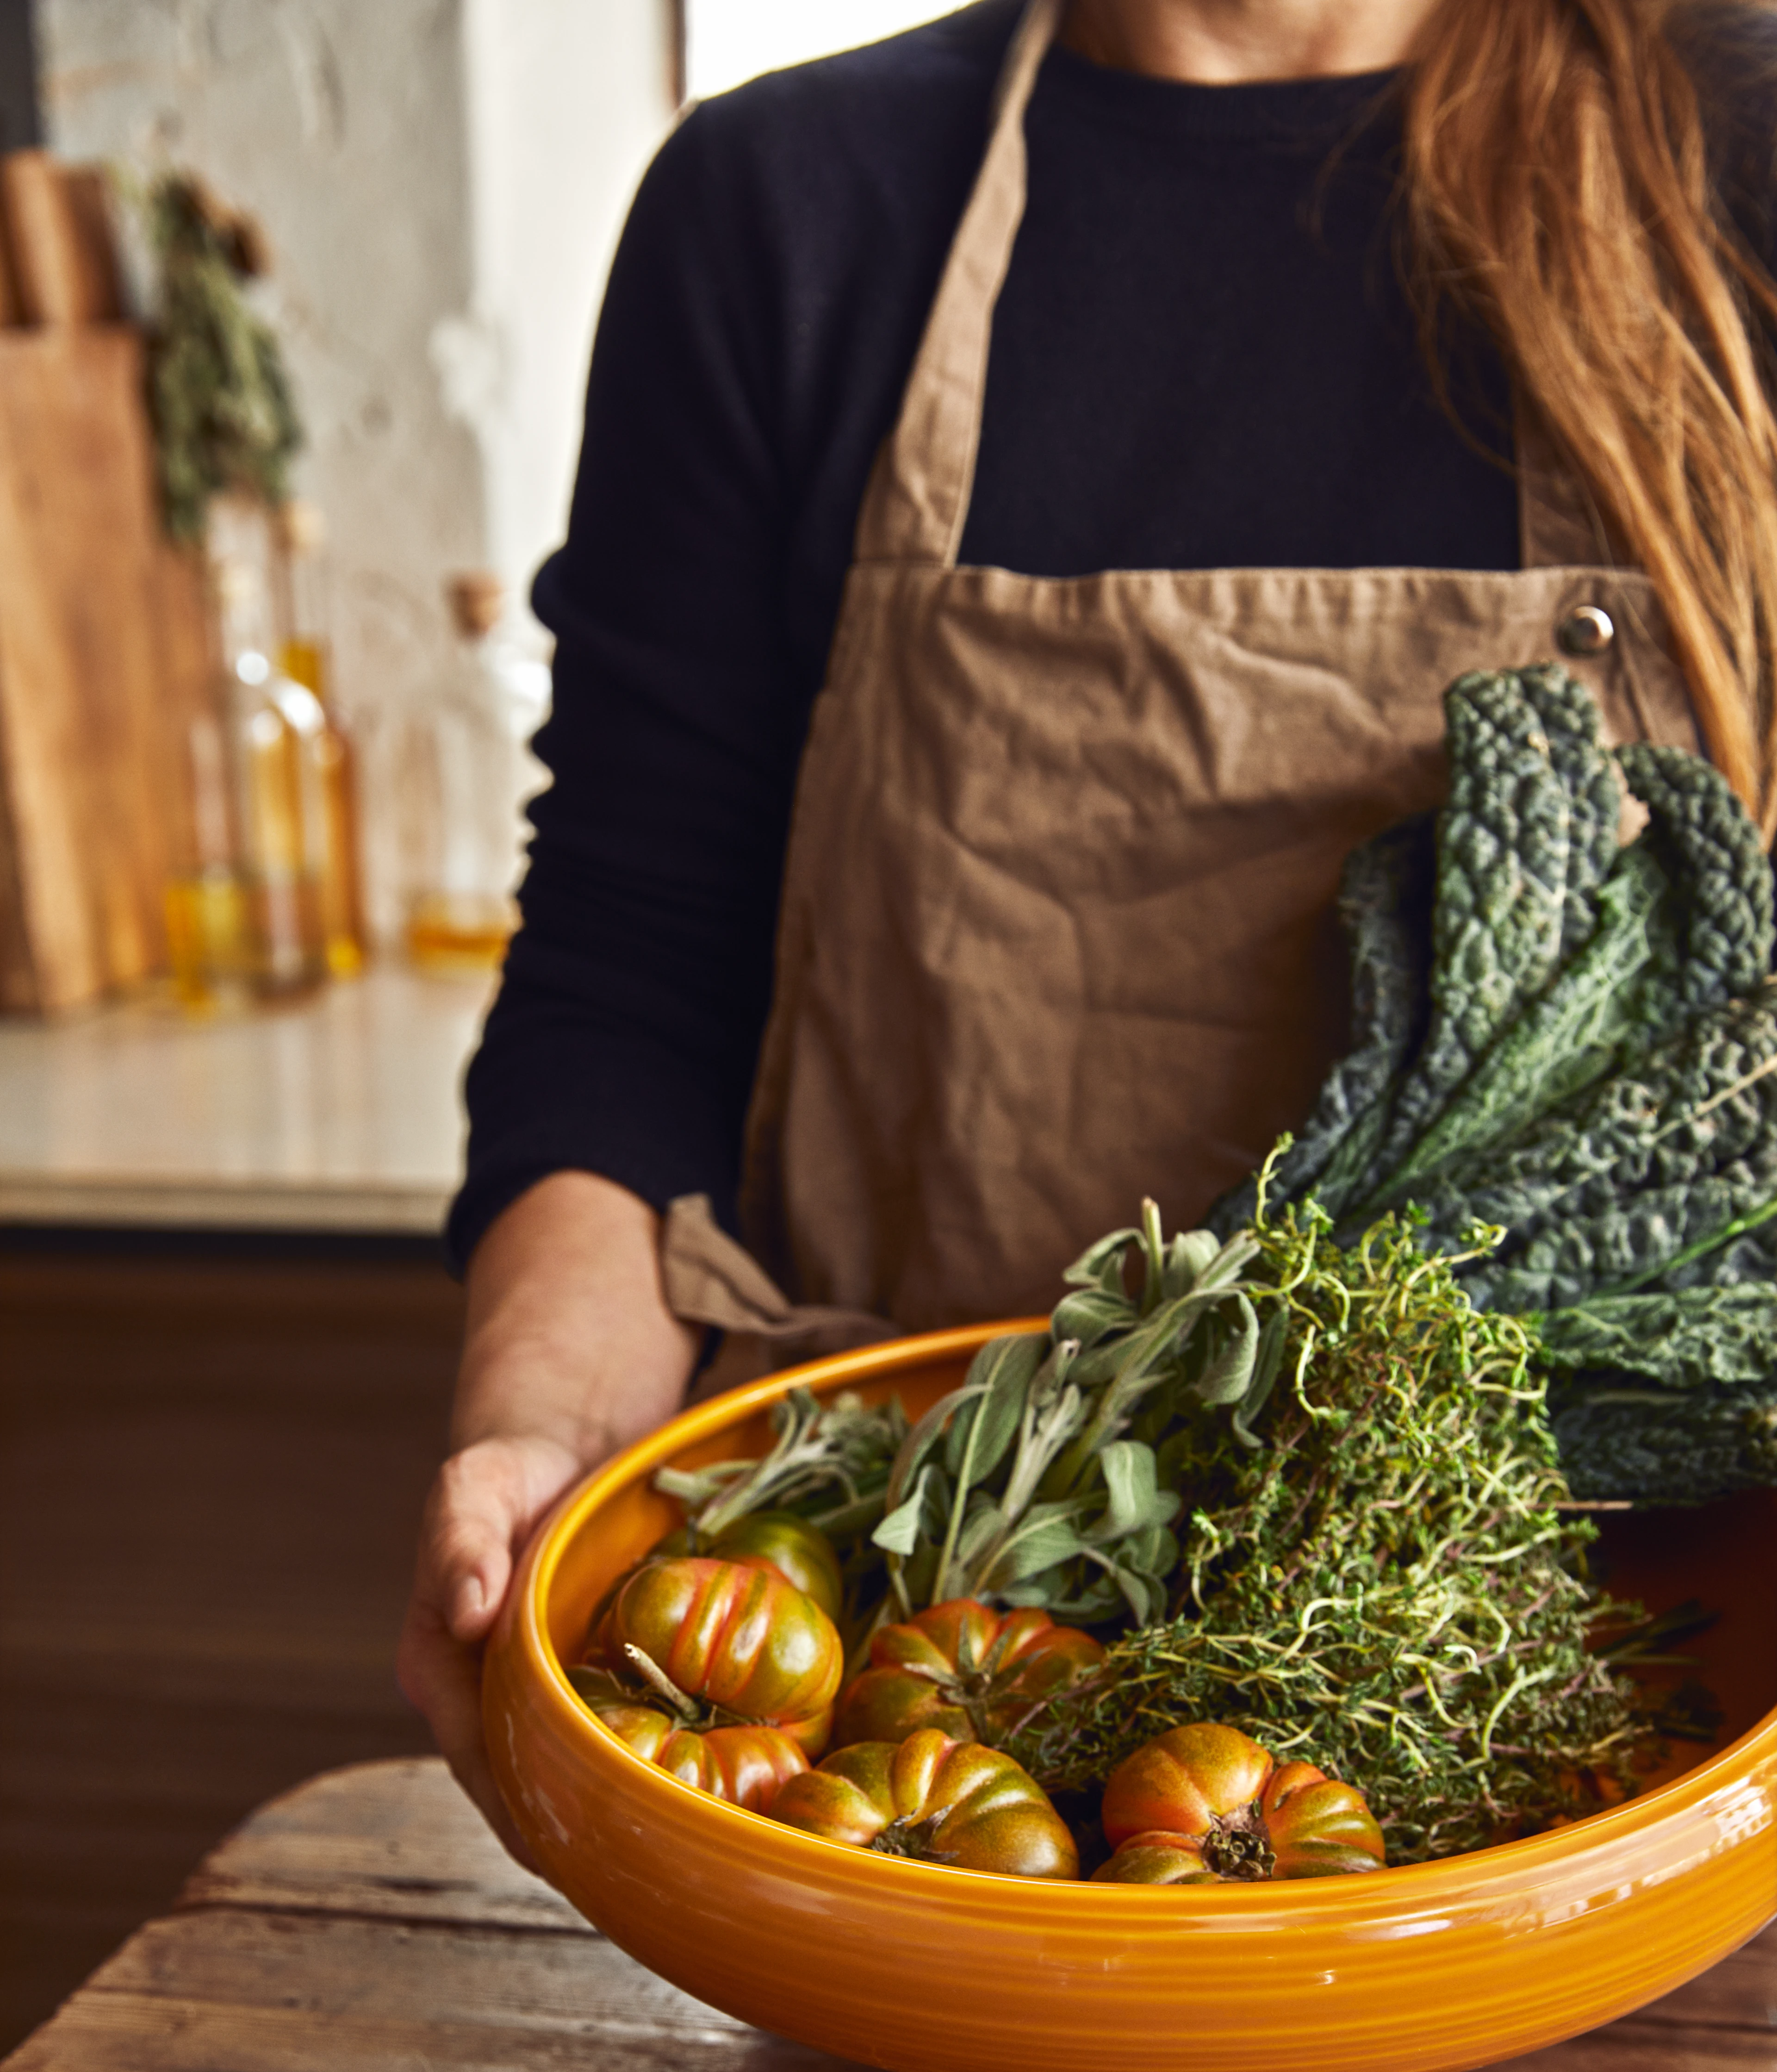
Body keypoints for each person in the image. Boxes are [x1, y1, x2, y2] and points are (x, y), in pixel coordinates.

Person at [398, 0, 1777, 1850]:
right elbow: (636, 970)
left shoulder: (1740, 155)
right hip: (915, 1756)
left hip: (1611, 1731)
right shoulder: (790, 205)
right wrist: (551, 1454)